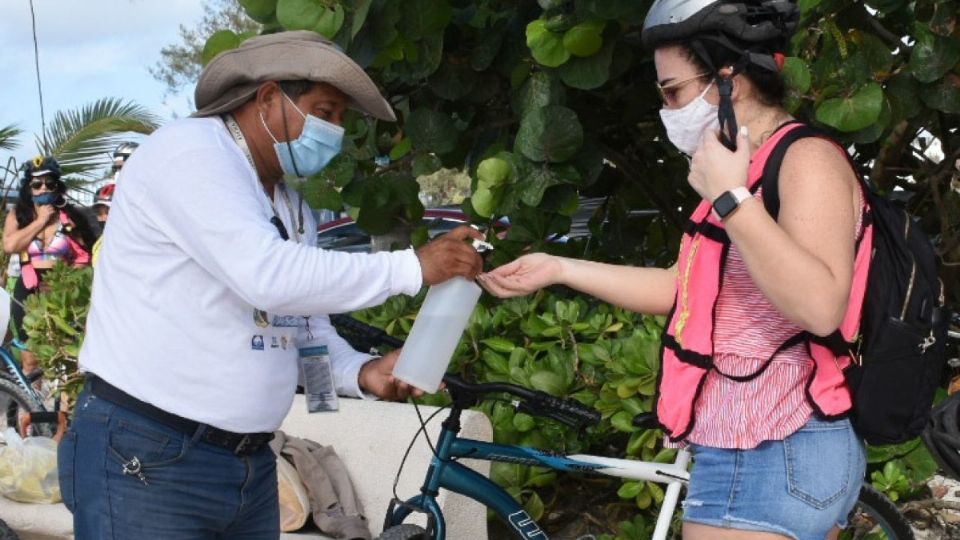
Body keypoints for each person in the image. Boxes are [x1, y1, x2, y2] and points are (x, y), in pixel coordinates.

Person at [59, 31, 483, 539]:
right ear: (267, 98)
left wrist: (361, 373)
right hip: (149, 455)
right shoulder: (190, 153)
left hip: (248, 464)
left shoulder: (287, 204)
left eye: (341, 120)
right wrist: (412, 268)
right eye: (325, 112)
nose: (335, 131)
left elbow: (300, 327)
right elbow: (268, 277)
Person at [480, 1, 867, 539]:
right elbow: (684, 288)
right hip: (750, 443)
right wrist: (558, 267)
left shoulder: (805, 160)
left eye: (673, 91)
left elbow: (821, 306)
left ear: (728, 78)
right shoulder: (736, 170)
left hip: (772, 445)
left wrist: (732, 198)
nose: (666, 109)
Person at [2, 156, 97, 375]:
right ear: (29, 188)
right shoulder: (19, 215)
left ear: (57, 185)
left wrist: (68, 284)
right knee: (30, 360)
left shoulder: (70, 218)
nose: (43, 187)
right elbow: (10, 245)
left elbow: (84, 258)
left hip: (62, 289)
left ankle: (63, 407)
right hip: (28, 287)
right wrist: (40, 222)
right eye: (37, 184)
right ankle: (31, 406)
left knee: (66, 357)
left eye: (49, 183)